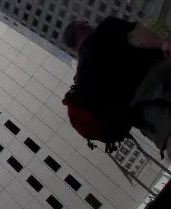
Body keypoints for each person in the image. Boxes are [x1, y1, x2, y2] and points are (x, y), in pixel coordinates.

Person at [64, 18, 171, 153]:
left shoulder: (82, 80)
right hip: (158, 77)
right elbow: (136, 37)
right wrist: (163, 44)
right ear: (83, 27)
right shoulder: (105, 29)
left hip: (139, 112)